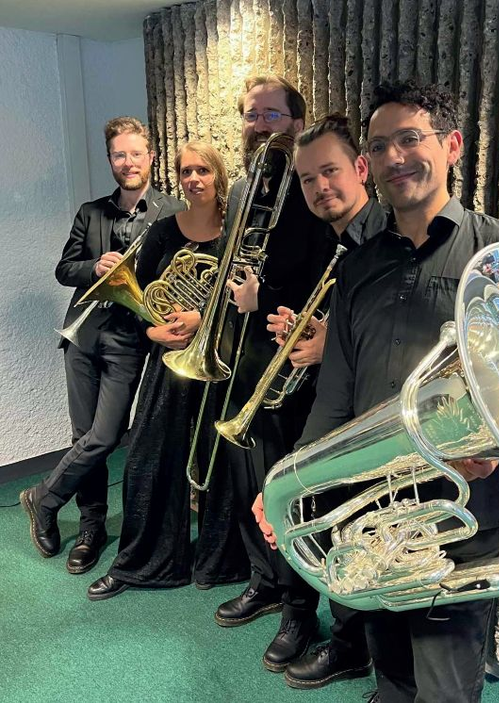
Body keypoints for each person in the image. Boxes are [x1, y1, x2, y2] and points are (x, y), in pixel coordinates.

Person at [255, 80, 499, 703]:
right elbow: (336, 396)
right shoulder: (357, 265)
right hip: (371, 511)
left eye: (410, 138)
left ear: (451, 145)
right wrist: (286, 483)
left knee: (445, 685)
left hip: (456, 511)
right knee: (394, 674)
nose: (394, 158)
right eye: (379, 146)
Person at [21, 117, 184, 575]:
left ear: (151, 157)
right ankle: (90, 528)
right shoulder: (91, 212)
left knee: (106, 435)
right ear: (110, 159)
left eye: (136, 154)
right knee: (83, 436)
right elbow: (64, 269)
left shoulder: (172, 211)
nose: (128, 162)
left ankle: (43, 498)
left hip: (129, 337)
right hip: (83, 335)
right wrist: (94, 267)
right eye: (119, 155)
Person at [87, 141, 249, 600]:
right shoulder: (161, 231)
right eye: (185, 172)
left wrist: (203, 316)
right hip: (170, 358)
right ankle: (143, 562)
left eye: (202, 171)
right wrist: (152, 331)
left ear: (218, 176)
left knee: (222, 461)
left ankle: (220, 562)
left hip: (219, 357)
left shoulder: (236, 233)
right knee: (149, 455)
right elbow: (142, 299)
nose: (193, 179)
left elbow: (243, 296)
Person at [212, 75, 333, 674]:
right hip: (242, 350)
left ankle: (299, 608)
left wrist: (267, 296)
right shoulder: (242, 189)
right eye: (251, 115)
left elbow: (324, 274)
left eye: (272, 115)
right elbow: (230, 262)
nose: (260, 125)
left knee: (284, 486)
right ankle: (264, 580)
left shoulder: (310, 188)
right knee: (244, 476)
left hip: (289, 354)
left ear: (296, 122)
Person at [262, 113, 387, 690]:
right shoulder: (334, 238)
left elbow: (388, 329)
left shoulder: (384, 236)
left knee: (356, 524)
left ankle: (354, 644)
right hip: (334, 405)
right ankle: (339, 633)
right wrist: (308, 331)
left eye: (329, 171)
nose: (319, 187)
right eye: (308, 179)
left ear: (361, 168)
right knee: (331, 515)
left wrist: (328, 344)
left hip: (373, 417)